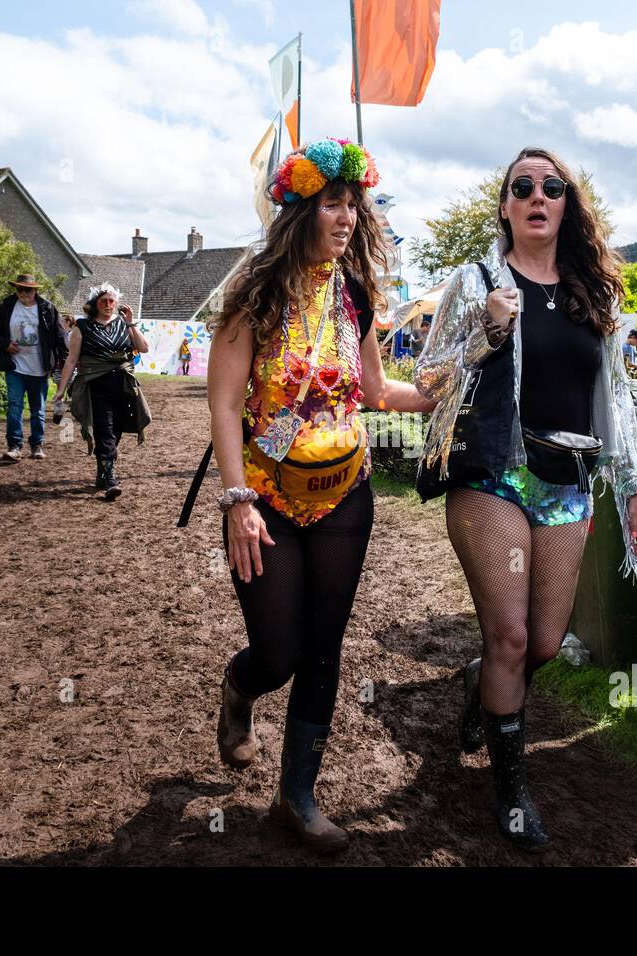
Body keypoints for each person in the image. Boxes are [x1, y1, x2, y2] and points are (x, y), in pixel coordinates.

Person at [414, 146, 637, 852]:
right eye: (521, 186)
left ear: (567, 204)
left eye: (551, 186)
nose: (536, 194)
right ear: (504, 205)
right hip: (495, 474)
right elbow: (428, 377)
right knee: (511, 635)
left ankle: (482, 682)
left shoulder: (596, 296)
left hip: (568, 482)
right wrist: (488, 330)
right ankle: (511, 791)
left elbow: (616, 398)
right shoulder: (475, 282)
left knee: (548, 646)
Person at [208, 137, 433, 855]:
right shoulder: (254, 293)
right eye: (333, 203)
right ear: (301, 209)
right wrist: (238, 499)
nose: (346, 217)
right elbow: (223, 403)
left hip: (345, 496)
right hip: (267, 499)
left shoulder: (356, 296)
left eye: (353, 205)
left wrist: (442, 391)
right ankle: (241, 689)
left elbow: (374, 390)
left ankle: (296, 796)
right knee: (279, 651)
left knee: (325, 648)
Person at [53, 284, 151, 499]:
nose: (108, 305)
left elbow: (143, 348)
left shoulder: (123, 324)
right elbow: (72, 360)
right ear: (95, 303)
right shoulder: (82, 327)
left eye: (111, 301)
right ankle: (110, 479)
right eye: (103, 301)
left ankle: (102, 471)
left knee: (116, 429)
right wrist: (60, 391)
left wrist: (130, 322)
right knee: (104, 429)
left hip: (123, 386)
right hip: (96, 385)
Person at [0, 274, 67, 461]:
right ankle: (14, 446)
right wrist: (4, 344)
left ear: (35, 290)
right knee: (15, 406)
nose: (22, 293)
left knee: (38, 409)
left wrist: (66, 362)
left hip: (40, 368)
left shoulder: (47, 309)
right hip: (15, 367)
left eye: (27, 289)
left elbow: (60, 337)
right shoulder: (6, 307)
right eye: (19, 289)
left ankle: (37, 445)